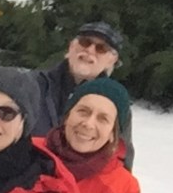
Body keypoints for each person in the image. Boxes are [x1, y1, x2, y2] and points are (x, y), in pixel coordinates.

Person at [31, 20, 134, 168]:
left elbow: (121, 159)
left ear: (112, 60)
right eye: (85, 42)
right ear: (71, 46)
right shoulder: (34, 85)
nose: (90, 51)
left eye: (101, 48)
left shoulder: (115, 104)